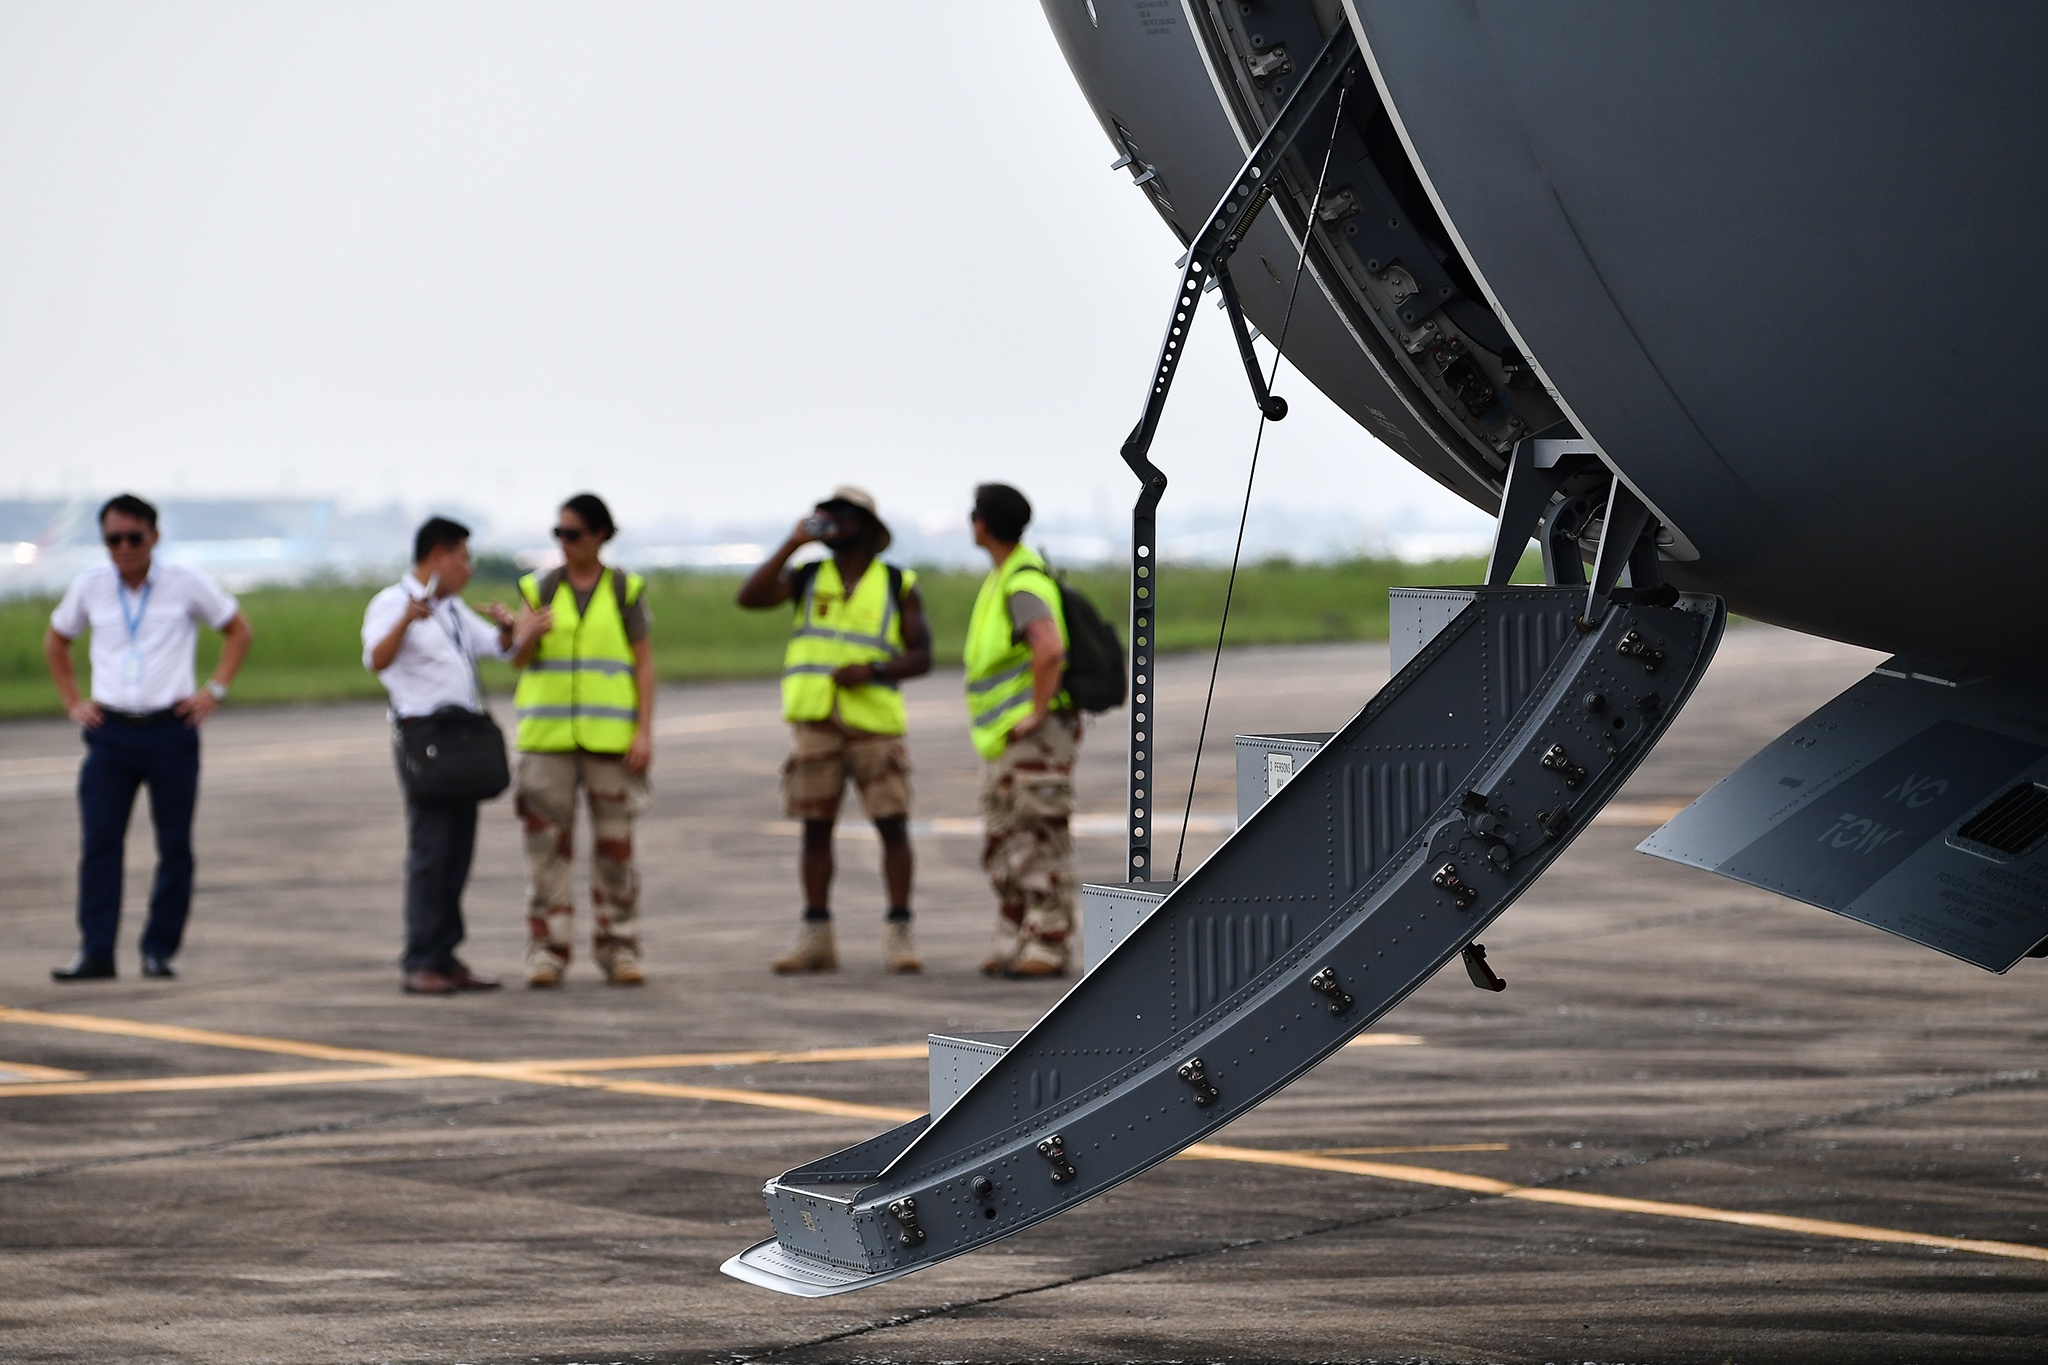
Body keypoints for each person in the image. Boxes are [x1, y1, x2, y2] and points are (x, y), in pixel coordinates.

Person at [42, 493, 254, 981]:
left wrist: (214, 691)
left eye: (133, 537)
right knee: (100, 843)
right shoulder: (91, 586)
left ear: (154, 537)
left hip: (170, 729)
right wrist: (72, 699)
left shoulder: (185, 582)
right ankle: (96, 951)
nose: (123, 548)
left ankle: (159, 949)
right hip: (111, 732)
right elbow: (57, 639)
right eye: (112, 539)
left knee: (174, 846)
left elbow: (239, 630)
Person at [736, 487, 933, 974]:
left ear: (867, 525)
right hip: (817, 725)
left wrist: (875, 670)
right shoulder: (806, 576)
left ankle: (899, 931)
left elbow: (922, 655)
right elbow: (750, 598)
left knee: (892, 826)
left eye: (842, 514)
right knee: (815, 829)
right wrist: (791, 543)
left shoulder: (896, 584)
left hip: (874, 728)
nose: (830, 521)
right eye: (824, 514)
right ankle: (817, 933)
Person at [364, 517, 547, 995]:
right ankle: (420, 958)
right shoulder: (391, 602)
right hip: (425, 737)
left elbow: (498, 650)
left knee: (457, 852)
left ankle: (446, 955)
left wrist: (510, 630)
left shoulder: (453, 609)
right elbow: (375, 660)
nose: (468, 568)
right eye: (464, 557)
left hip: (460, 738)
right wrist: (406, 619)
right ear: (438, 556)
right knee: (430, 851)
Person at [510, 493, 655, 987]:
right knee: (546, 851)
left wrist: (643, 730)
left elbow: (643, 663)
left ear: (599, 536)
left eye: (572, 534)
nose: (564, 543)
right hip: (548, 741)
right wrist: (526, 634)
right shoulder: (540, 587)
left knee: (616, 849)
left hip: (608, 742)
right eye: (559, 534)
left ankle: (620, 947)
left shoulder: (624, 590)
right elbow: (517, 659)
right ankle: (547, 951)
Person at [965, 483, 1080, 978]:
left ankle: (1049, 940)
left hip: (1033, 737)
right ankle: (1015, 931)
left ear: (982, 524)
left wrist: (1035, 711)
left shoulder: (1020, 581)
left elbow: (1048, 647)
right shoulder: (1004, 577)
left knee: (1037, 833)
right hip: (1006, 742)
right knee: (1005, 836)